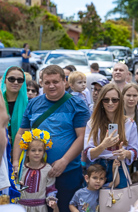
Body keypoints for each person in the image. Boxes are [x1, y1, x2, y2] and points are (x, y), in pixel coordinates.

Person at [14, 65, 91, 212]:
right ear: (41, 83)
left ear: (64, 81)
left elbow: (82, 137)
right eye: (47, 82)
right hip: (35, 173)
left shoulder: (77, 104)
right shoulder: (33, 103)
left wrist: (64, 161)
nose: (51, 86)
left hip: (67, 172)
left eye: (55, 81)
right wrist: (16, 162)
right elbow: (20, 134)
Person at [84, 83, 138, 189]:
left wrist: (126, 153)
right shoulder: (92, 123)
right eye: (106, 100)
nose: (110, 103)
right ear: (101, 101)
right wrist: (103, 145)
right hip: (98, 168)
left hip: (119, 165)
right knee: (97, 203)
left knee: (120, 201)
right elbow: (88, 153)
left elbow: (135, 150)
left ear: (120, 102)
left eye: (114, 100)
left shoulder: (128, 123)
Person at [17, 129, 58, 212]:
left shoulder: (47, 169)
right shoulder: (21, 169)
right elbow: (15, 187)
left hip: (40, 208)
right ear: (27, 153)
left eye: (40, 150)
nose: (37, 153)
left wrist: (51, 200)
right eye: (33, 150)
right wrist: (17, 185)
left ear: (44, 152)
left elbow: (51, 188)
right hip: (22, 207)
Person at [1, 66, 28, 144]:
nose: (16, 82)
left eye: (20, 80)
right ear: (5, 80)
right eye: (11, 79)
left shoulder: (28, 104)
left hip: (22, 148)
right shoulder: (0, 102)